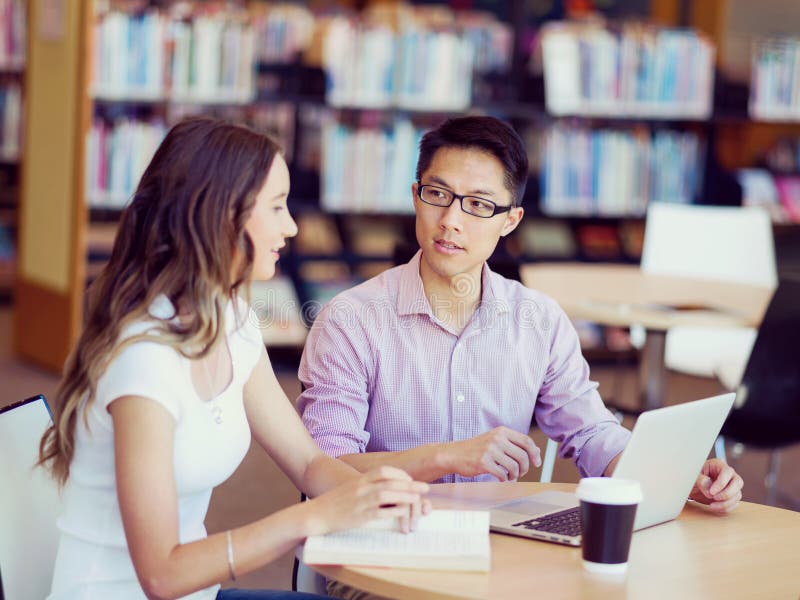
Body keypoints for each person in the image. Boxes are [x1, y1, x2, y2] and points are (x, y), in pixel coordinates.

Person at [39, 117, 429, 600]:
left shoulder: (231, 318)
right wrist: (312, 518)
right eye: (277, 206)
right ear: (222, 215)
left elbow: (307, 462)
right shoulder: (144, 360)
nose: (291, 226)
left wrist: (374, 500)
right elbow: (162, 576)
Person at [298, 115, 743, 512]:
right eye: (438, 194)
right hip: (380, 539)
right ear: (416, 196)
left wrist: (678, 475)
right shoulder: (350, 320)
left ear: (510, 221)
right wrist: (445, 457)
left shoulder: (539, 320)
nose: (451, 220)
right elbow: (324, 469)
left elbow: (590, 433)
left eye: (478, 204)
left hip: (493, 546)